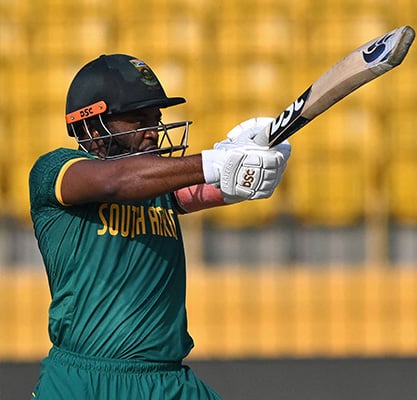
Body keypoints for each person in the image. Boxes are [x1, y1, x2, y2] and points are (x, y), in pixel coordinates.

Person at [28, 54, 291, 399]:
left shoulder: (157, 185)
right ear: (94, 129)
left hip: (167, 383)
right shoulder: (55, 170)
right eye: (139, 120)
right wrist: (215, 162)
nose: (154, 132)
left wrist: (257, 158)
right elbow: (115, 183)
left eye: (156, 119)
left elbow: (218, 186)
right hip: (84, 382)